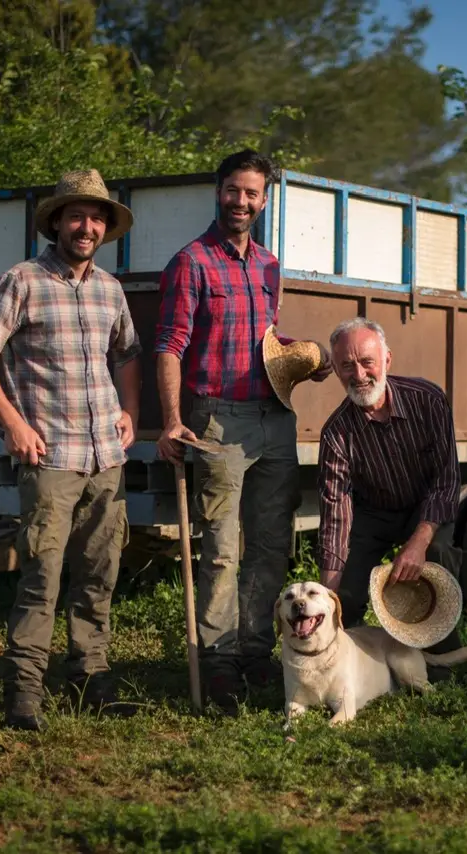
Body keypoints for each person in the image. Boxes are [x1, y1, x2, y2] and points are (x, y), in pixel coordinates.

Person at [0, 169, 142, 730]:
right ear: (57, 222)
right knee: (42, 578)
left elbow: (127, 353)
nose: (87, 227)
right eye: (77, 216)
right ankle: (24, 693)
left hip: (106, 459)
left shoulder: (110, 289)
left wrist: (129, 412)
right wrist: (14, 424)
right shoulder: (22, 281)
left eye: (97, 219)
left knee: (99, 576)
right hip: (51, 459)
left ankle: (90, 679)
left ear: (106, 229)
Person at [154, 149, 331, 712]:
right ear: (218, 191)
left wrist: (305, 357)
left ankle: (257, 650)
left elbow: (265, 340)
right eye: (233, 190)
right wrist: (174, 419)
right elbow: (170, 346)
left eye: (252, 193)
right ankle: (220, 659)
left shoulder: (270, 266)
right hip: (219, 419)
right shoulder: (191, 263)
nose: (241, 201)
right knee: (222, 550)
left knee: (272, 544)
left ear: (264, 199)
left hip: (275, 417)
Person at [316, 317, 465, 658]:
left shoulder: (427, 399)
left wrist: (418, 542)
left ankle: (445, 659)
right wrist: (329, 592)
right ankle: (347, 661)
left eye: (367, 362)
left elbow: (446, 479)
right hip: (374, 514)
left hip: (425, 506)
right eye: (346, 366)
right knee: (345, 591)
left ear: (387, 359)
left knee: (438, 554)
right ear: (336, 371)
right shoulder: (335, 433)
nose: (359, 374)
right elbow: (336, 514)